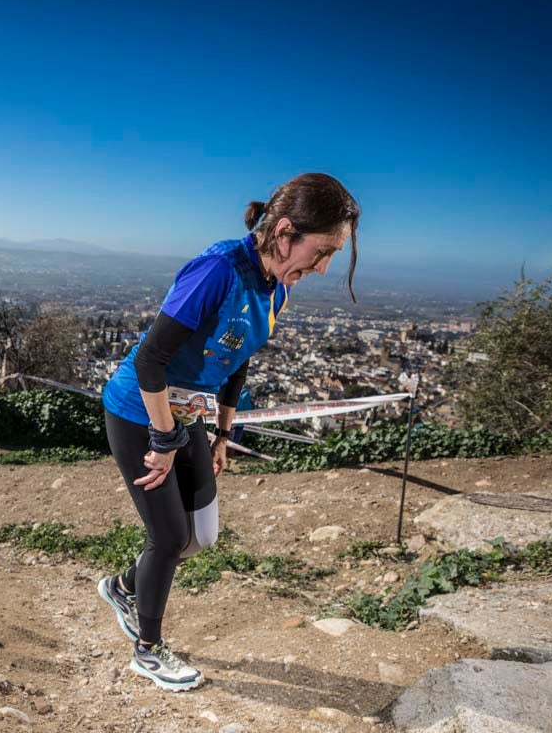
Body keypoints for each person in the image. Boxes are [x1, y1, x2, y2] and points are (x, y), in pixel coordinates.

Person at [96, 173, 360, 691]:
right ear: (284, 232)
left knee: (203, 536)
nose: (324, 267)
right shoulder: (218, 269)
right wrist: (164, 439)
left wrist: (222, 431)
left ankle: (124, 587)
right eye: (323, 250)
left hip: (189, 413)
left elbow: (238, 356)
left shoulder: (276, 288)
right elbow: (152, 359)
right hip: (138, 409)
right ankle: (147, 650)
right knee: (170, 537)